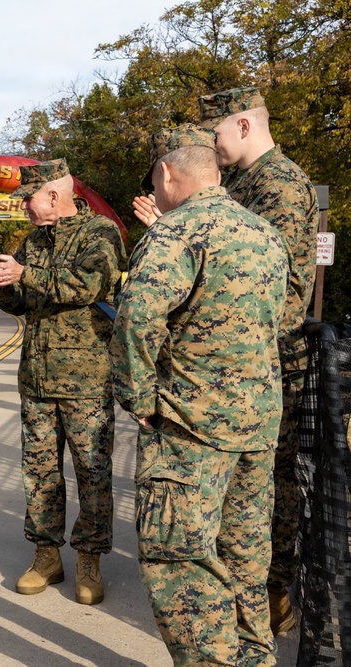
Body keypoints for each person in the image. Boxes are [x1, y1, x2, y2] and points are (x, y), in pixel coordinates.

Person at [133, 88, 320, 636]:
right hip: (239, 372)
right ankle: (240, 617)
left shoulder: (279, 184)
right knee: (235, 515)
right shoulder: (243, 186)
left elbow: (278, 291)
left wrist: (178, 241)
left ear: (242, 125)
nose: (209, 147)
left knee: (261, 505)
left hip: (257, 371)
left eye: (214, 133)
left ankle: (264, 603)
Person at [111, 124, 288, 666]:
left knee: (180, 560)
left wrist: (138, 399)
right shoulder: (264, 233)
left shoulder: (175, 234)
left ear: (167, 174)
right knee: (244, 559)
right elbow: (276, 322)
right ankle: (256, 659)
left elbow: (138, 319)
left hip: (191, 427)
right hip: (257, 427)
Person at [0, 158, 126, 606]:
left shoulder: (101, 234)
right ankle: (46, 555)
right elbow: (22, 305)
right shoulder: (33, 241)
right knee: (39, 473)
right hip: (36, 376)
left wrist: (24, 274)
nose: (24, 208)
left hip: (86, 379)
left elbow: (87, 285)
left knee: (92, 473)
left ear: (54, 195)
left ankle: (89, 559)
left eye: (29, 199)